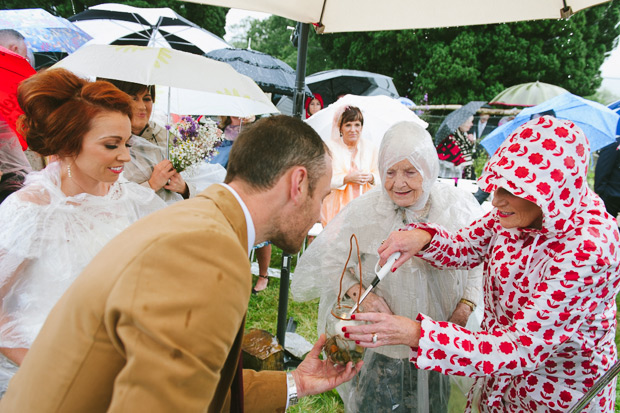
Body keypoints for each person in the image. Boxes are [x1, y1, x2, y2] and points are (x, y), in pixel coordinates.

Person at [0, 115, 363, 412]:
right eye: (322, 195)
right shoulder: (210, 251)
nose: (319, 213)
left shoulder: (204, 222)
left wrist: (295, 383)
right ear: (298, 183)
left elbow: (185, 380)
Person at [345, 116, 620, 412]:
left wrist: (416, 334)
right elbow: (468, 244)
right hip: (500, 381)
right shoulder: (516, 212)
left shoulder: (588, 249)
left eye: (511, 190)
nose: (496, 200)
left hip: (554, 395)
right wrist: (423, 238)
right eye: (497, 185)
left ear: (549, 190)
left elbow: (519, 347)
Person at [292, 121, 483, 412]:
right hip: (381, 349)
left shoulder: (456, 208)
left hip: (438, 344)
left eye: (410, 171)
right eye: (390, 172)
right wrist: (365, 298)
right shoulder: (366, 211)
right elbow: (333, 263)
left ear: (429, 169)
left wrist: (463, 308)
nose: (398, 183)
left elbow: (479, 264)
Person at [0, 68, 166, 395]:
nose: (125, 156)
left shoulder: (131, 199)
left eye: (126, 143)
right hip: (43, 380)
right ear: (69, 144)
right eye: (111, 145)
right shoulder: (30, 212)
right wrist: (44, 364)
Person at [100, 78, 194, 203]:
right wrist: (151, 185)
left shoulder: (166, 136)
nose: (142, 106)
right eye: (133, 98)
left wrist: (184, 188)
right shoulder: (106, 143)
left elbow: (195, 179)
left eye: (147, 99)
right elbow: (106, 199)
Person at [321, 105, 379, 226]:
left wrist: (371, 177)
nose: (353, 129)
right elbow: (323, 180)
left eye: (357, 125)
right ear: (340, 128)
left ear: (362, 127)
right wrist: (346, 179)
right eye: (348, 125)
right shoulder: (329, 147)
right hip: (337, 208)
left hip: (365, 206)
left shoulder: (370, 148)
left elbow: (381, 177)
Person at [436, 115, 476, 179]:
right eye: (470, 122)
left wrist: (471, 142)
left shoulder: (464, 135)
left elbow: (468, 154)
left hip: (463, 174)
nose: (472, 124)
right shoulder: (451, 138)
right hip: (451, 176)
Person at [594, 137, 620, 221]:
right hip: (611, 194)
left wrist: (599, 190)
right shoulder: (614, 143)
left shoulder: (613, 143)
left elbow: (603, 167)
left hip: (611, 193)